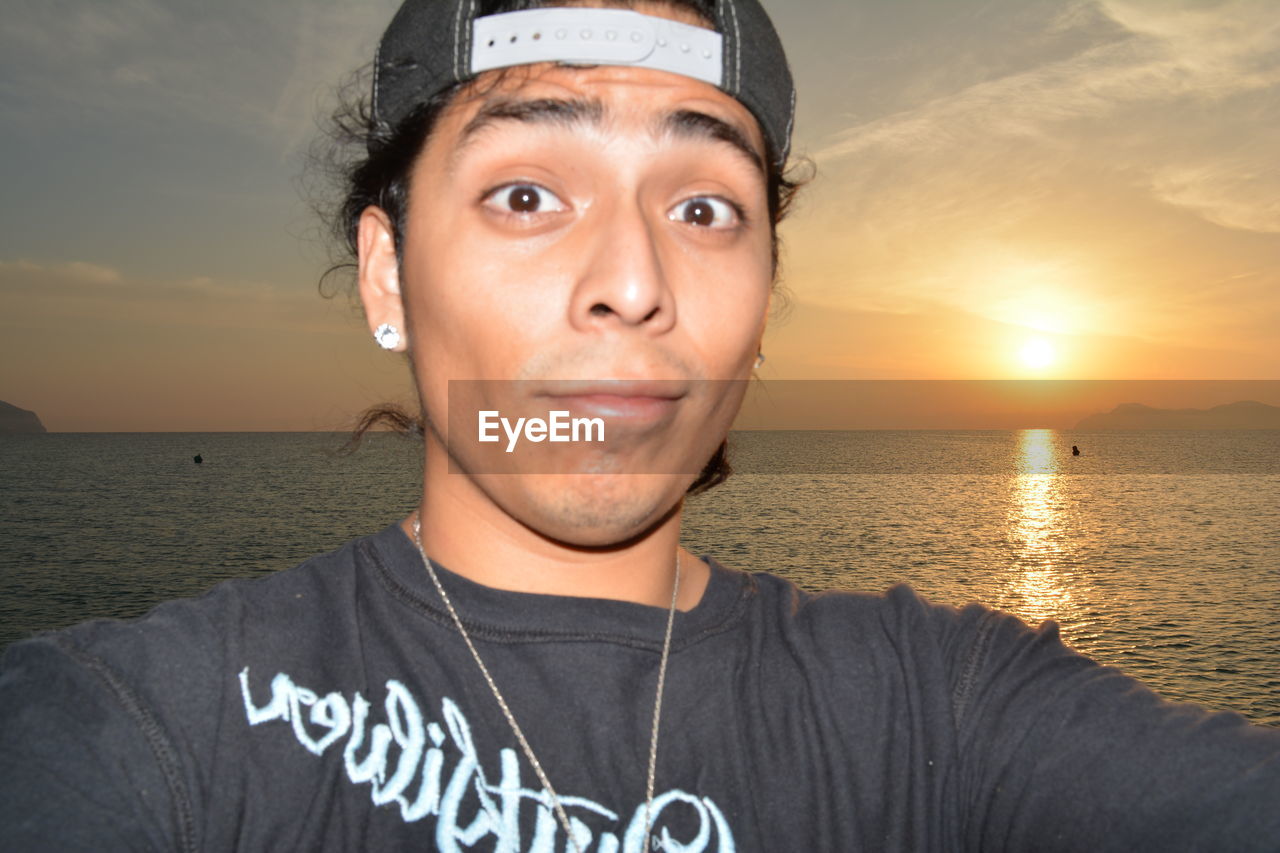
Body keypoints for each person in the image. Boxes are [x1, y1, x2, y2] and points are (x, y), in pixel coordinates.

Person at [2, 0, 1277, 850]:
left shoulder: (938, 710)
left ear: (765, 291)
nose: (632, 276)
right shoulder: (135, 728)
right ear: (388, 275)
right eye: (524, 191)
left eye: (706, 206)